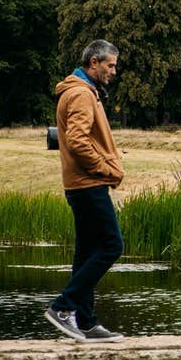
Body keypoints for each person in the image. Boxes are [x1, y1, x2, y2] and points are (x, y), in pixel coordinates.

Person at [45, 40, 126, 342]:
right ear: (94, 62)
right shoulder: (80, 93)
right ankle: (63, 308)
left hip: (81, 184)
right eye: (111, 65)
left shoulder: (82, 91)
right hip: (88, 184)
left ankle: (87, 322)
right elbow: (78, 141)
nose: (113, 71)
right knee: (111, 245)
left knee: (87, 253)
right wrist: (106, 168)